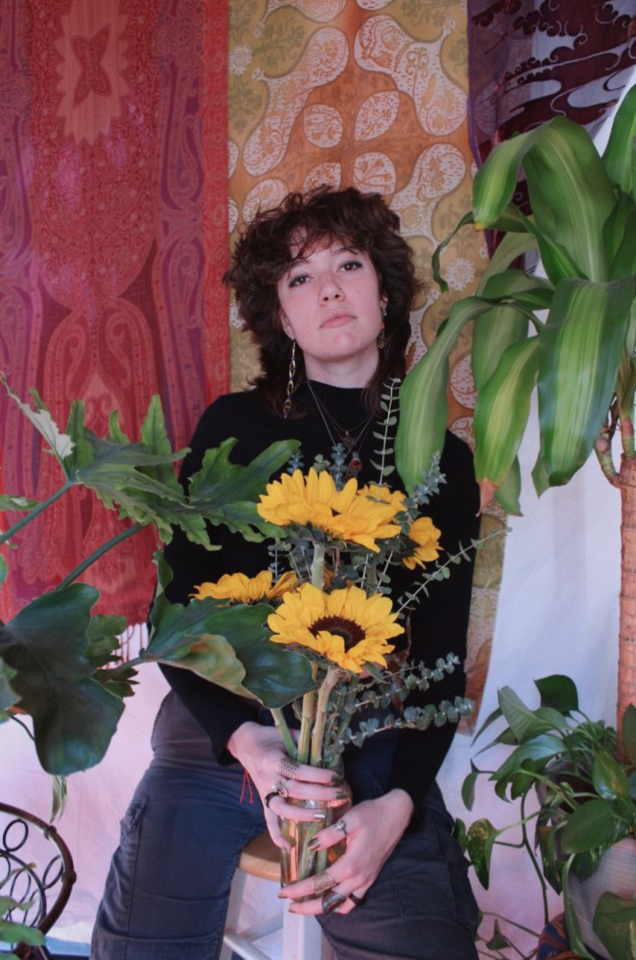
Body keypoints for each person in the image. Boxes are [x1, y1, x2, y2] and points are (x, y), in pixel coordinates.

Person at [91, 186, 481, 960]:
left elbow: (439, 659)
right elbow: (181, 617)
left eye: (349, 264)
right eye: (300, 277)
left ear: (385, 292)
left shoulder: (440, 459)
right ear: (281, 316)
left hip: (372, 747)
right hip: (222, 734)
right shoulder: (232, 429)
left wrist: (398, 805)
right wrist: (254, 748)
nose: (329, 288)